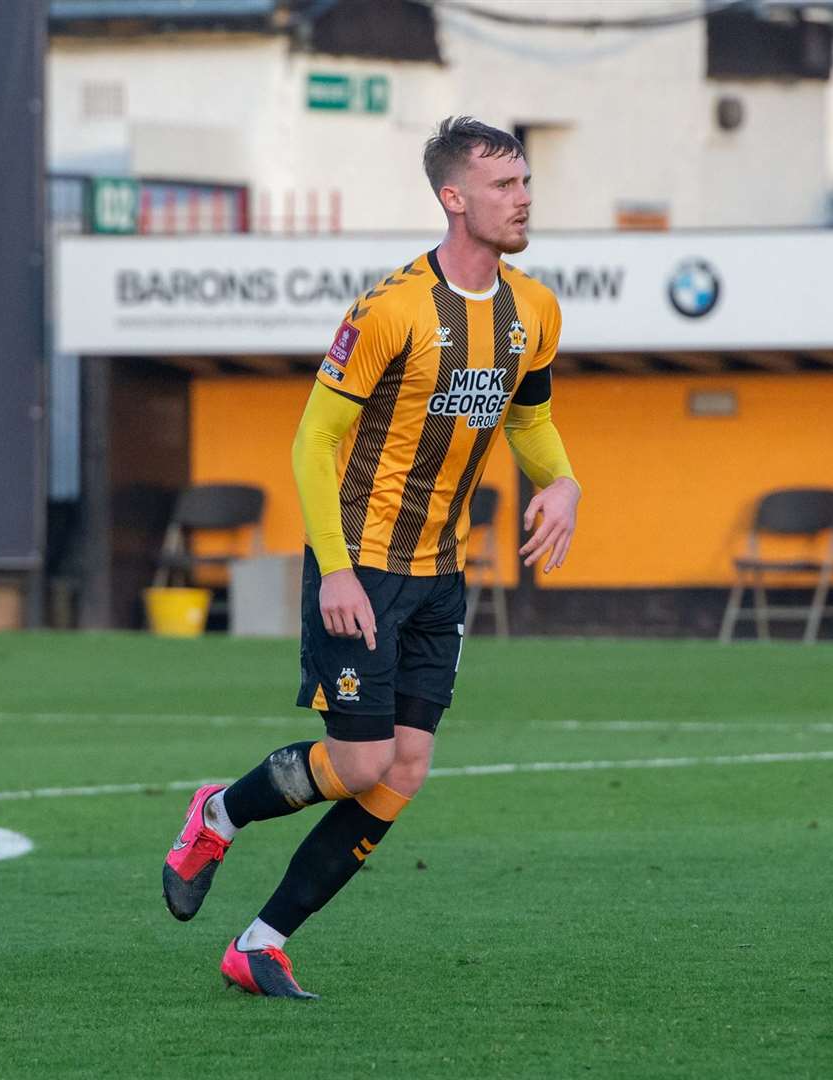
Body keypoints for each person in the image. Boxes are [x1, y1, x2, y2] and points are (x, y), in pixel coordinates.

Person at [161, 116, 581, 999]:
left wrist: (564, 481)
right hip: (361, 566)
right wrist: (337, 567)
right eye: (504, 186)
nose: (524, 198)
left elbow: (529, 416)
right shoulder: (389, 309)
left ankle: (261, 942)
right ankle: (218, 813)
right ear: (453, 198)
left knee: (407, 770)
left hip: (440, 575)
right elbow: (314, 440)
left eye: (526, 182)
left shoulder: (533, 310)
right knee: (357, 764)